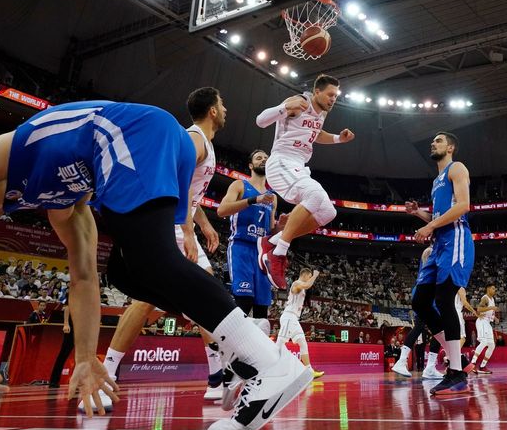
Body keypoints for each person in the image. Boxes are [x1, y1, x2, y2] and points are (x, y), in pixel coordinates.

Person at [0, 100, 311, 430]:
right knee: (125, 272)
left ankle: (268, 363)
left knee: (153, 258)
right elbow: (83, 276)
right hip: (153, 142)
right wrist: (86, 359)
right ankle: (244, 358)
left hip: (132, 134)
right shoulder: (60, 202)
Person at [92, 87, 227, 409]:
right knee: (203, 294)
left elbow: (189, 191)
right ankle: (219, 376)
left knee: (151, 300)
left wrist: (202, 223)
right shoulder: (195, 140)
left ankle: (217, 376)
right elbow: (170, 176)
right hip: (169, 223)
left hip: (176, 221)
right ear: (211, 110)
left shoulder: (202, 142)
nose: (225, 110)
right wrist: (187, 229)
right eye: (222, 105)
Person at [255, 74, 355, 289]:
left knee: (328, 212)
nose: (332, 100)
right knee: (315, 194)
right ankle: (278, 253)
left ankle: (270, 242)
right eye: (329, 95)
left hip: (299, 167)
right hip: (281, 162)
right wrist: (284, 108)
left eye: (335, 97)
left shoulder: (322, 113)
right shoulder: (300, 101)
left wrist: (339, 139)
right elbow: (261, 120)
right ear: (316, 92)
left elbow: (316, 134)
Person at [407, 131, 475, 395]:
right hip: (439, 243)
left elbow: (464, 206)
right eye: (432, 141)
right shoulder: (436, 181)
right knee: (420, 303)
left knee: (445, 299)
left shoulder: (456, 168)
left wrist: (431, 225)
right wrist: (420, 215)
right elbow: (439, 214)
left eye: (438, 140)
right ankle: (457, 359)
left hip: (456, 238)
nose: (432, 143)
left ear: (450, 147)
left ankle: (456, 372)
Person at [217, 149, 283, 318]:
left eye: (266, 158)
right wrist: (254, 200)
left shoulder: (272, 197)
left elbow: (270, 230)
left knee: (261, 310)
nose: (263, 160)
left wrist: (280, 226)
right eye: (259, 158)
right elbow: (222, 210)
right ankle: (226, 341)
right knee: (244, 302)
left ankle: (255, 345)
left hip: (262, 253)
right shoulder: (240, 185)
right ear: (250, 165)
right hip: (241, 247)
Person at [392, 247, 443, 380]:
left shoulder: (427, 252)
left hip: (422, 290)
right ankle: (404, 362)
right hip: (427, 292)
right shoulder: (434, 252)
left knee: (435, 331)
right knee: (435, 330)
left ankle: (427, 367)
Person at [276, 268, 324, 378]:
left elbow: (306, 286)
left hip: (294, 319)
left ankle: (309, 371)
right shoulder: (296, 284)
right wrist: (315, 276)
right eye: (309, 276)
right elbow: (307, 285)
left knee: (303, 343)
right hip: (288, 317)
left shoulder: (302, 287)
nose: (309, 278)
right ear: (305, 275)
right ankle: (267, 368)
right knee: (280, 344)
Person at [470, 284, 498, 374]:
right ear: (488, 289)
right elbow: (479, 309)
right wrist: (491, 307)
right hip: (482, 321)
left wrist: (495, 318)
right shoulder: (485, 298)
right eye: (493, 288)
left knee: (491, 345)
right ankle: (472, 363)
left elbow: (490, 313)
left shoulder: (492, 299)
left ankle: (482, 366)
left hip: (488, 323)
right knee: (484, 342)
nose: (495, 290)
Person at [49, 295, 73, 388]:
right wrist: (66, 323)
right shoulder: (75, 290)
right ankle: (54, 380)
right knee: (64, 352)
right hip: (71, 326)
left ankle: (79, 380)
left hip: (81, 326)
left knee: (81, 355)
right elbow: (67, 307)